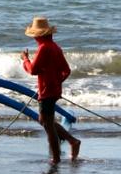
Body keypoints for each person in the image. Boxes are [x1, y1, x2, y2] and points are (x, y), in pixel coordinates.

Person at [21, 16, 81, 164]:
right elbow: (66, 70)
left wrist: (25, 60)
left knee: (47, 124)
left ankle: (56, 158)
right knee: (44, 120)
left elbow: (33, 70)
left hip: (47, 91)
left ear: (38, 35)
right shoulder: (55, 47)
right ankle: (72, 141)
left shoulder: (43, 48)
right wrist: (56, 82)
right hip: (53, 90)